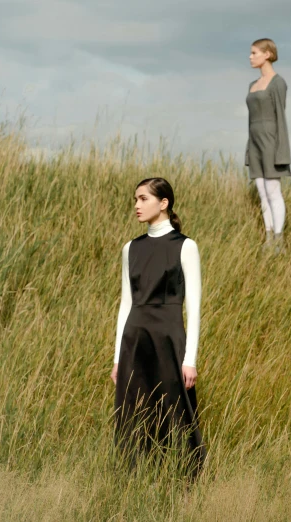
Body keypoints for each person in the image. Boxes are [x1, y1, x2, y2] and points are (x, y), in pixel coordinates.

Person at [111, 177, 206, 473]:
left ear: (163, 203)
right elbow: (126, 304)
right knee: (135, 414)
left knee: (178, 413)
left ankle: (189, 481)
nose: (137, 205)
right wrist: (117, 358)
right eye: (135, 200)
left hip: (168, 338)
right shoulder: (131, 248)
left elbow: (194, 306)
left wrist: (190, 359)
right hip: (135, 340)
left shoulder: (186, 246)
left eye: (143, 199)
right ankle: (137, 479)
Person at [246, 38, 291, 253]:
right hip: (254, 141)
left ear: (267, 54)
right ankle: (268, 237)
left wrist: (282, 151)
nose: (250, 56)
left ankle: (279, 240)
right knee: (262, 192)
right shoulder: (252, 85)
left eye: (254, 53)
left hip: (271, 140)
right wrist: (249, 149)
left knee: (273, 191)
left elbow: (280, 117)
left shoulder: (278, 82)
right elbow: (250, 120)